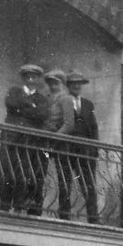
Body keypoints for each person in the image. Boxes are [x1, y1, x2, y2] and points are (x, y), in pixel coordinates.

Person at [0, 63, 50, 213]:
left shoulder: (41, 99)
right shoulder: (14, 91)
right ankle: (5, 206)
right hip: (11, 139)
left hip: (29, 141)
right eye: (28, 76)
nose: (31, 79)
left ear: (37, 80)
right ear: (24, 78)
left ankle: (18, 207)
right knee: (7, 171)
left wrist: (22, 108)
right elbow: (10, 102)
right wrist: (31, 106)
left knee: (24, 173)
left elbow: (42, 114)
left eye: (34, 77)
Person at [41, 69, 78, 219]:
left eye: (55, 83)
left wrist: (55, 138)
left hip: (61, 141)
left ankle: (64, 213)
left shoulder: (66, 99)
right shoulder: (47, 98)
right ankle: (36, 208)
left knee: (64, 177)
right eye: (50, 83)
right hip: (45, 139)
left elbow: (69, 124)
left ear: (62, 84)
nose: (52, 86)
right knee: (39, 172)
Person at [64, 69, 99, 221]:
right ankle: (64, 214)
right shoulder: (63, 101)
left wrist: (94, 149)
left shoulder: (87, 104)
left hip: (85, 151)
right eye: (73, 84)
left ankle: (93, 216)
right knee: (64, 181)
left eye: (79, 83)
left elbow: (94, 128)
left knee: (88, 183)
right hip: (67, 148)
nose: (76, 86)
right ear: (68, 86)